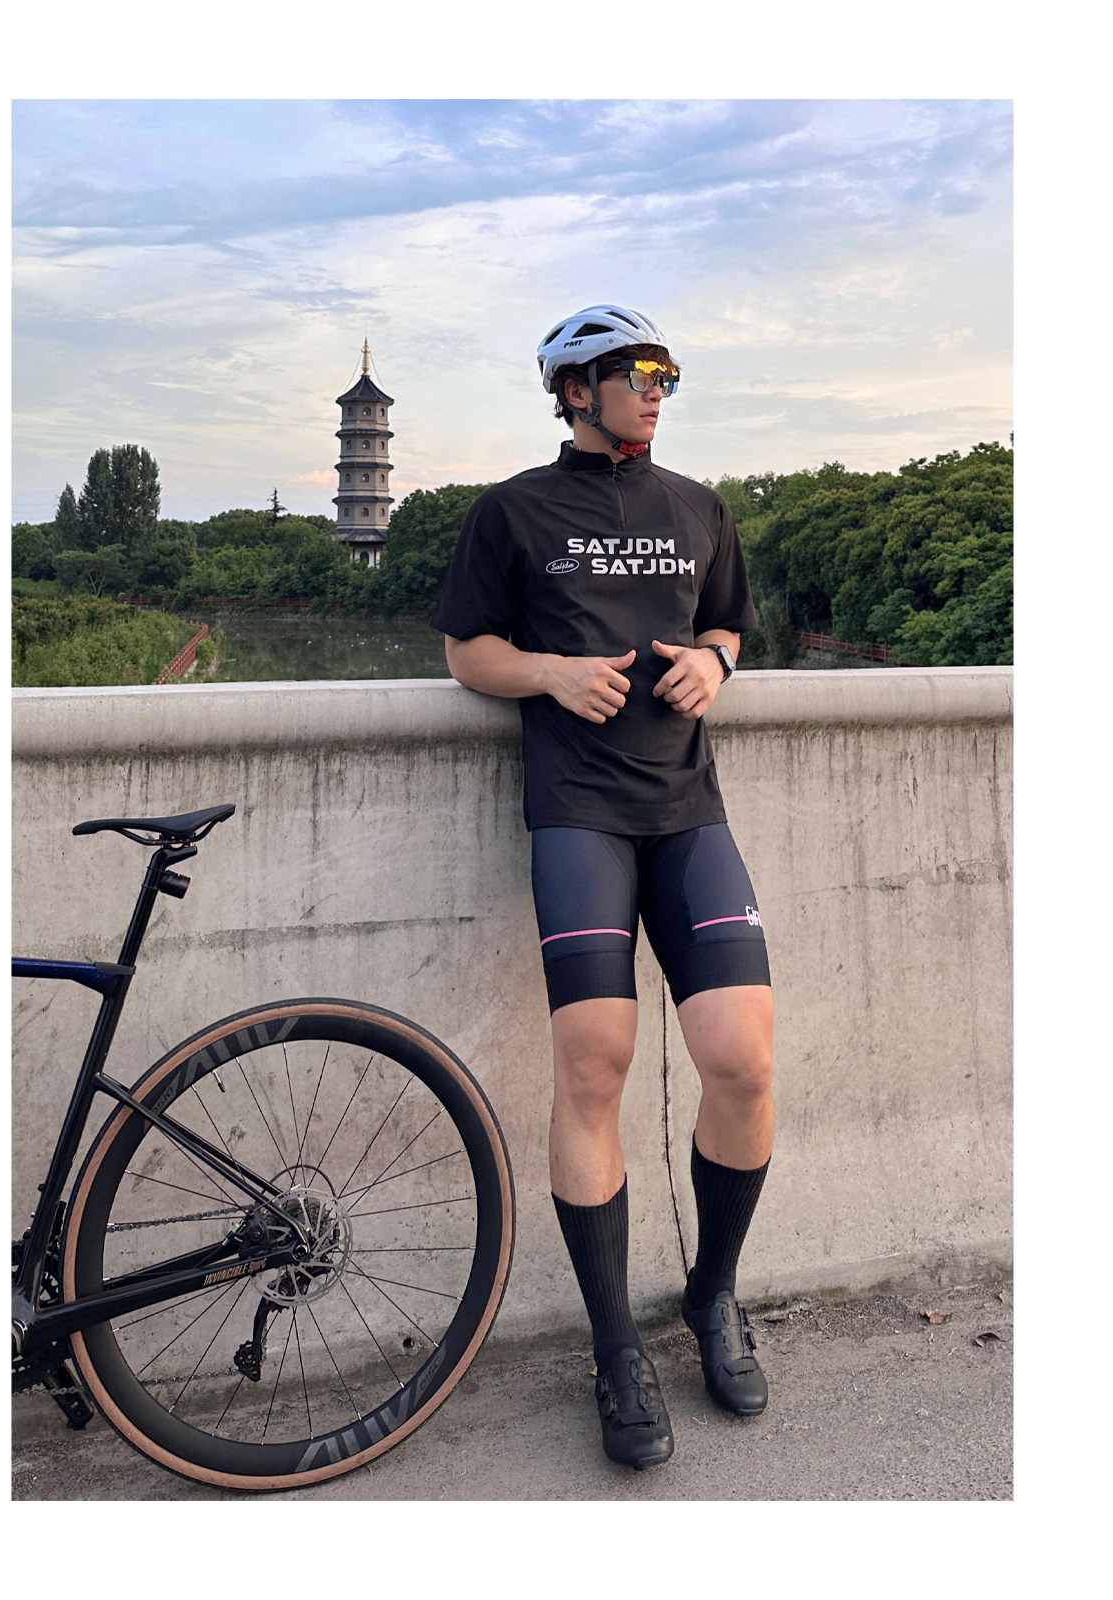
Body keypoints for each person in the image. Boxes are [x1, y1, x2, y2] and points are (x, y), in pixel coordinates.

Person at [431, 304, 773, 1472]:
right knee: (594, 1068)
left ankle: (713, 1295)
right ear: (576, 388)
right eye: (639, 371)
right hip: (578, 814)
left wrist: (715, 662)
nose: (658, 388)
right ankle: (616, 1347)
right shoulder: (512, 511)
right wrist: (548, 674)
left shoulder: (698, 508)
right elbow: (467, 650)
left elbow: (728, 623)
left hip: (688, 813)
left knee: (743, 1058)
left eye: (669, 372)